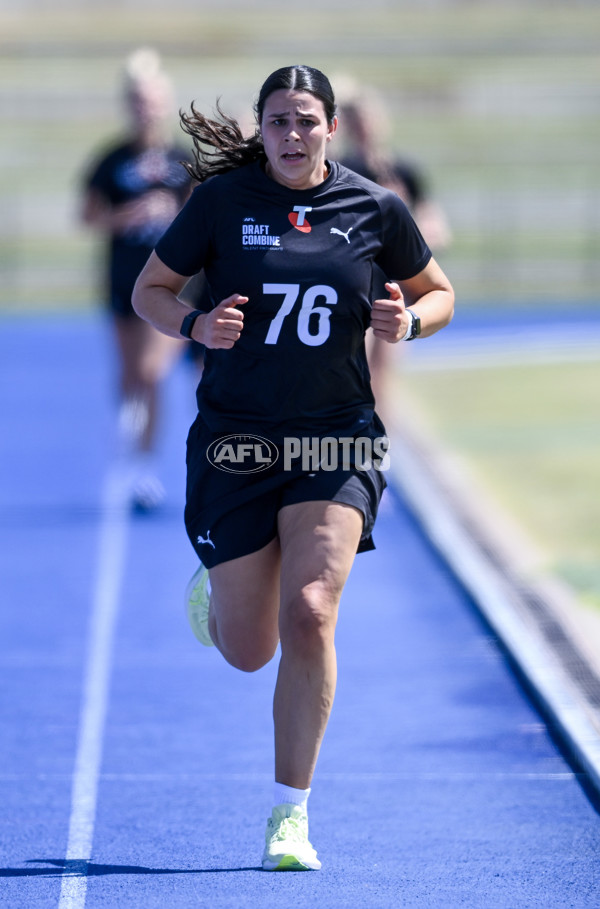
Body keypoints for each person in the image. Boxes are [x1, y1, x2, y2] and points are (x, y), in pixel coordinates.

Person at [132, 64, 454, 871]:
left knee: (310, 610)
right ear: (263, 128)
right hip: (236, 443)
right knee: (249, 648)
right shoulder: (221, 204)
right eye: (278, 121)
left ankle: (291, 815)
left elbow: (440, 291)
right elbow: (151, 290)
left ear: (330, 129)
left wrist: (408, 320)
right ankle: (221, 586)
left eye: (306, 121)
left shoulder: (374, 207)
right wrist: (196, 325)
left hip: (333, 438)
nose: (291, 134)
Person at [80, 48, 197, 510]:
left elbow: (205, 215)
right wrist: (128, 215)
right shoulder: (111, 160)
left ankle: (145, 467)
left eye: (152, 99)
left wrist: (175, 214)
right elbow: (89, 215)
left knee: (151, 372)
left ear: (164, 103)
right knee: (130, 376)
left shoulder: (183, 159)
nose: (145, 108)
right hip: (123, 279)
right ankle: (130, 455)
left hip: (170, 284)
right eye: (137, 99)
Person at [333, 78, 452, 413]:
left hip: (395, 285)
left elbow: (436, 226)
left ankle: (380, 448)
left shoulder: (405, 171)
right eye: (356, 121)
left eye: (369, 119)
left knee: (385, 375)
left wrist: (412, 233)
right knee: (356, 372)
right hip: (357, 281)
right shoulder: (341, 172)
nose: (365, 127)